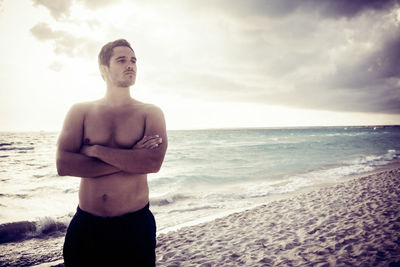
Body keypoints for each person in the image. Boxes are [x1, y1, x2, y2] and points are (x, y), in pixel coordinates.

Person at [56, 39, 167, 267]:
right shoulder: (81, 111)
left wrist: (96, 150)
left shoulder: (150, 113)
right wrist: (131, 157)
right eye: (122, 60)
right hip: (87, 225)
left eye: (134, 60)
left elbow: (152, 162)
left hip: (134, 226)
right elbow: (64, 164)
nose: (131, 65)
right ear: (103, 69)